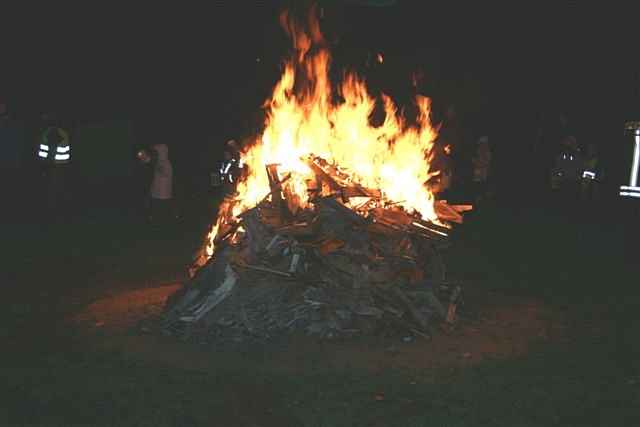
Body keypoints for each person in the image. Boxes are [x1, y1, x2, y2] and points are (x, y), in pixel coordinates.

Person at [36, 113, 73, 219]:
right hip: (57, 165)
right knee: (54, 188)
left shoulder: (50, 132)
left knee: (52, 189)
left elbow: (50, 149)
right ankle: (54, 211)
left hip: (52, 165)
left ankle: (51, 211)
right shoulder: (60, 132)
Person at [148, 143, 177, 224]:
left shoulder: (166, 164)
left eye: (156, 152)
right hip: (156, 195)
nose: (155, 154)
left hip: (163, 197)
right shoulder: (159, 162)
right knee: (155, 218)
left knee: (161, 219)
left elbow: (162, 171)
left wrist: (151, 161)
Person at [471, 135, 492, 204]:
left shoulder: (486, 152)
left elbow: (486, 161)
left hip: (483, 173)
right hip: (478, 173)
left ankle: (482, 201)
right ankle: (478, 200)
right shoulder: (479, 150)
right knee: (478, 187)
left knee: (482, 187)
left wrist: (478, 162)